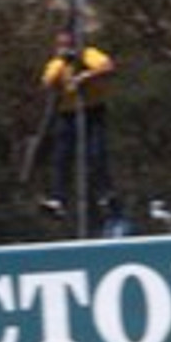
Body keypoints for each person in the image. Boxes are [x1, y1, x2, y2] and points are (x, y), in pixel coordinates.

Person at [39, 28, 116, 219]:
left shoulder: (89, 54)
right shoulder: (56, 64)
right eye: (61, 45)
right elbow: (47, 83)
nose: (64, 48)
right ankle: (59, 199)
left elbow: (108, 67)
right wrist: (63, 66)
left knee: (96, 153)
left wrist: (85, 75)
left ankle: (105, 194)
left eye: (67, 44)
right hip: (68, 114)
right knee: (62, 158)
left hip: (92, 110)